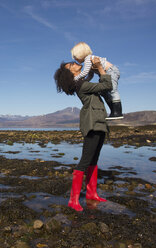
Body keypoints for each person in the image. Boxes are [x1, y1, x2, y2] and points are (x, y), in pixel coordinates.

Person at [53, 57, 111, 211]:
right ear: (70, 73)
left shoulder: (83, 81)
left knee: (94, 160)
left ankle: (92, 194)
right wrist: (99, 67)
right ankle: (73, 200)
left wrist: (94, 66)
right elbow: (107, 85)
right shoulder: (81, 85)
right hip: (91, 124)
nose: (74, 63)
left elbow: (89, 75)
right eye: (70, 65)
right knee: (85, 161)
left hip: (99, 122)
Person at [71, 42, 123, 120]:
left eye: (75, 57)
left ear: (80, 54)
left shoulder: (88, 59)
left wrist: (76, 78)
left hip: (111, 72)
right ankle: (113, 111)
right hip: (106, 73)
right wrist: (85, 81)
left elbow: (85, 72)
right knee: (104, 92)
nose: (75, 59)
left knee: (112, 90)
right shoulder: (89, 60)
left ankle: (118, 112)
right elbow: (90, 75)